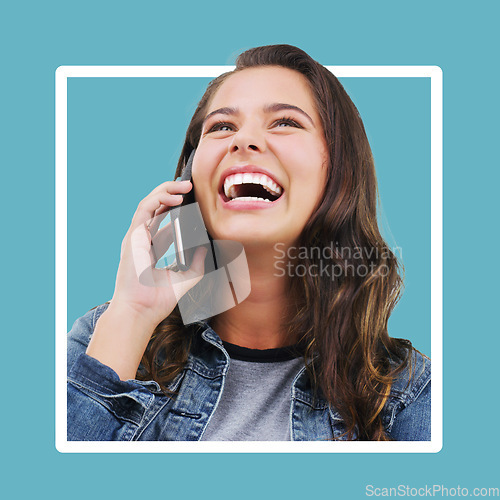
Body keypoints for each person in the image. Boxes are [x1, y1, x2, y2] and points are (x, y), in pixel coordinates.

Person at [67, 44, 431, 441]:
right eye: (222, 127)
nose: (243, 141)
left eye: (285, 122)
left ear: (339, 171)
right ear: (191, 175)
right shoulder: (103, 339)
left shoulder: (406, 394)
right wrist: (133, 313)